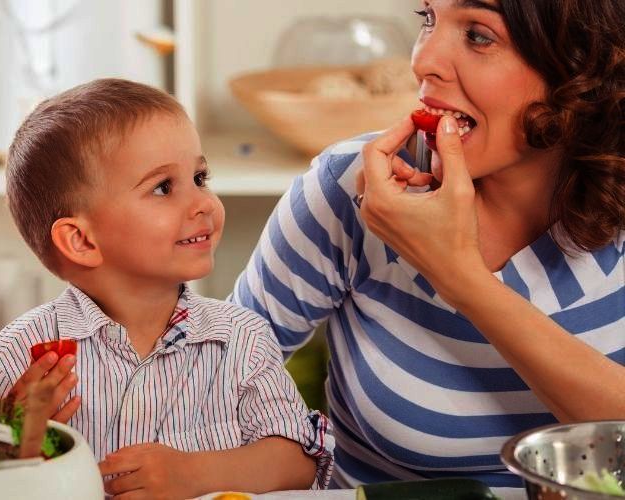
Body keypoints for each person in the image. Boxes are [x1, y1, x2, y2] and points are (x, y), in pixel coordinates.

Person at [232, 0, 624, 488]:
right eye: (428, 19)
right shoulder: (350, 187)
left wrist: (457, 275)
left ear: (583, 65)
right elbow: (211, 387)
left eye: (479, 35)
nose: (422, 61)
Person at [0, 78, 334, 498]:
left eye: (200, 177)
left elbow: (297, 463)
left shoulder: (241, 338)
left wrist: (196, 474)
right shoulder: (14, 362)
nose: (203, 203)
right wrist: (21, 435)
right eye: (163, 187)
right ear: (82, 241)